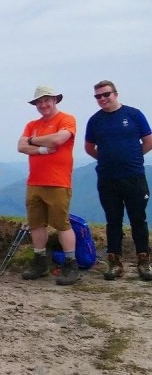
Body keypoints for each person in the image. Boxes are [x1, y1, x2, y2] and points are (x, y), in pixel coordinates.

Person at [84, 80, 152, 281]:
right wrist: (105, 159)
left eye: (106, 94)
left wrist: (135, 157)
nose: (103, 99)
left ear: (115, 93)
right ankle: (114, 263)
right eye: (98, 96)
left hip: (134, 176)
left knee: (138, 219)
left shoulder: (133, 114)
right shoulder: (95, 121)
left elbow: (148, 140)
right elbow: (89, 147)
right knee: (113, 221)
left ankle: (144, 262)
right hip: (107, 178)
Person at [17, 85, 79, 285]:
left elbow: (60, 139)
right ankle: (39, 261)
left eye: (46, 100)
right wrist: (43, 150)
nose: (43, 104)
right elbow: (20, 146)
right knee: (36, 223)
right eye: (39, 101)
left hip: (58, 181)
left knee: (62, 223)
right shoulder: (31, 123)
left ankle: (71, 264)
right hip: (34, 181)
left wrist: (33, 141)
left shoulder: (66, 119)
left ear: (55, 100)